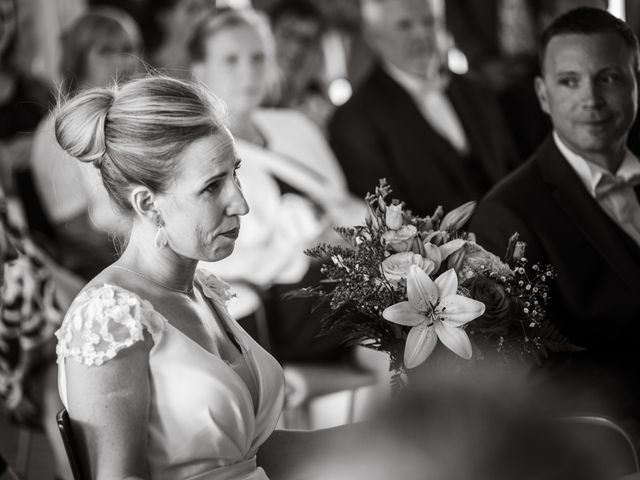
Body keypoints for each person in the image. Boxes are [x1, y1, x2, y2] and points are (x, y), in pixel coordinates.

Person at [53, 75, 362, 480]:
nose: (241, 203)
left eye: (235, 174)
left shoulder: (201, 291)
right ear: (148, 204)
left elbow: (253, 457)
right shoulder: (108, 318)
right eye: (212, 187)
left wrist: (391, 433)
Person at [470, 7, 640, 424]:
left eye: (610, 77)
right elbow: (540, 379)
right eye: (570, 81)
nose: (591, 99)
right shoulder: (507, 214)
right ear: (543, 95)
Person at [189, 8, 365, 361]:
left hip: (344, 272)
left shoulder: (295, 126)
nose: (247, 73)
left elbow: (342, 203)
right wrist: (308, 248)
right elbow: (209, 258)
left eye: (257, 58)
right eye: (231, 60)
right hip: (278, 303)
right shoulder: (195, 152)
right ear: (200, 70)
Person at [328, 0, 519, 217]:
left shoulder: (475, 89)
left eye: (429, 22)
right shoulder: (354, 121)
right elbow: (392, 222)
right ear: (374, 37)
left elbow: (513, 171)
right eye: (405, 25)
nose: (422, 35)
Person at [30, 7, 142, 280]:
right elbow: (75, 231)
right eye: (105, 51)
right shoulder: (57, 131)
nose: (122, 60)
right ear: (78, 59)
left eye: (128, 48)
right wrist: (149, 264)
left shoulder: (136, 117)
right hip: (107, 269)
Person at [265, 0, 334, 129]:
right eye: (287, 35)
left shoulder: (320, 109)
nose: (295, 48)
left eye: (306, 41)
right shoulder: (246, 95)